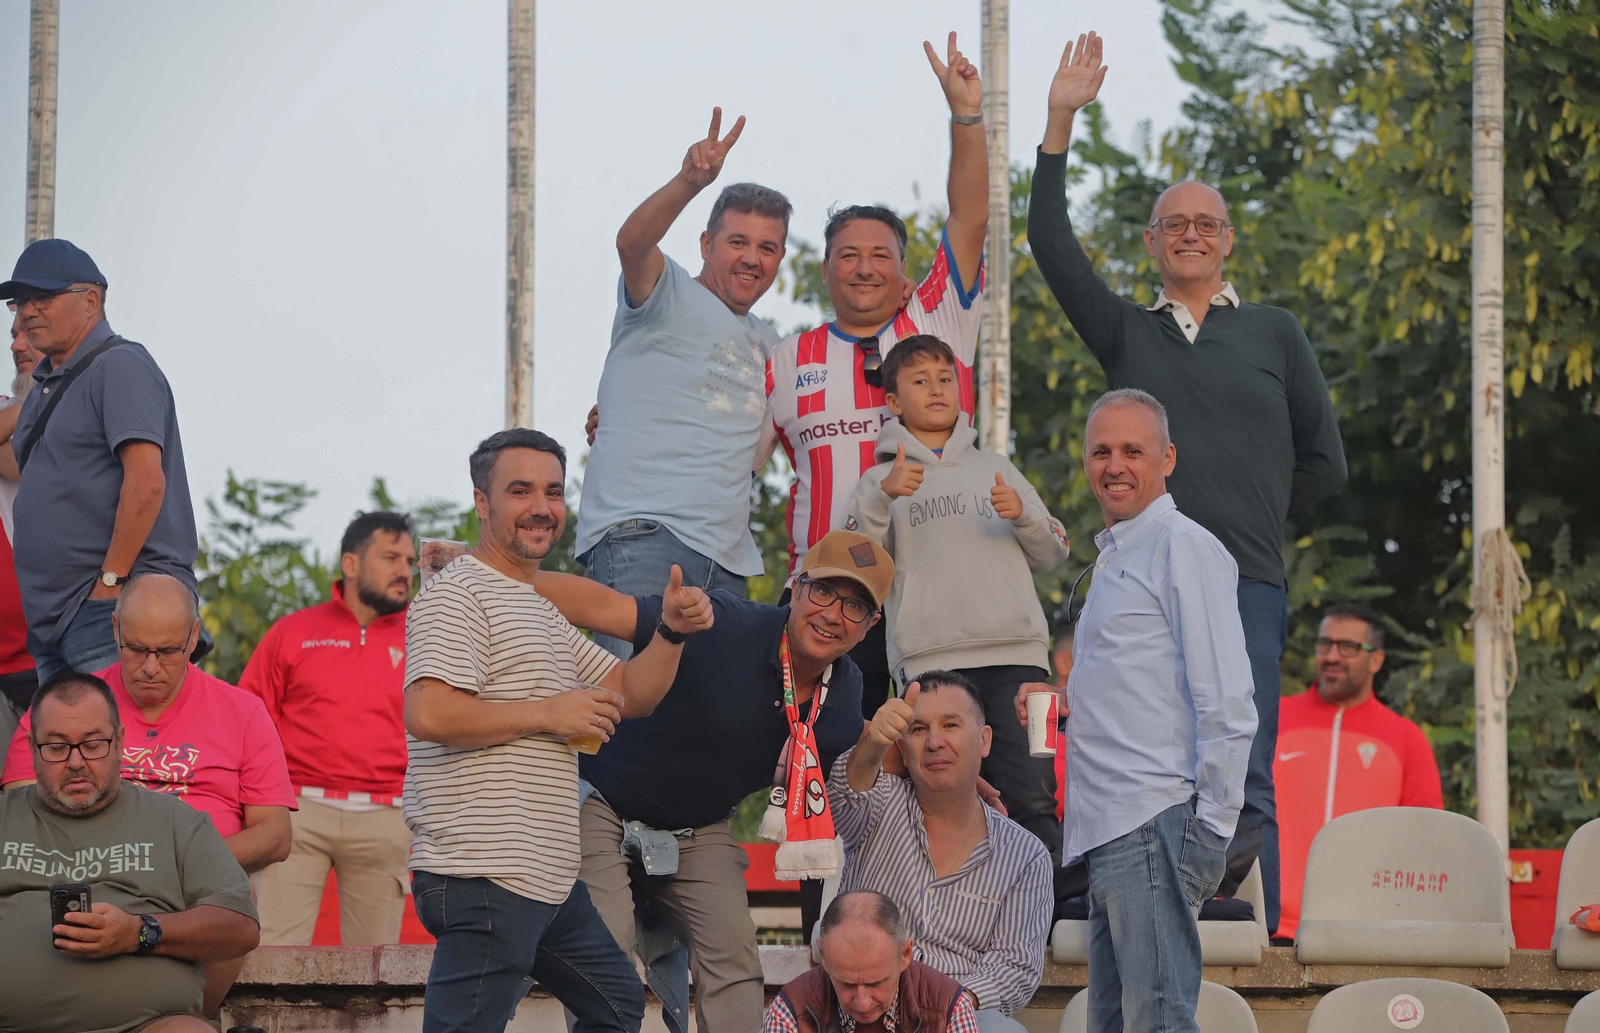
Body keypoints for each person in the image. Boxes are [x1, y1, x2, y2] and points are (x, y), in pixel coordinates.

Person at [1028, 32, 1347, 930]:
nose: (1192, 235)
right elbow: (1049, 242)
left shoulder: (1275, 332)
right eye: (1176, 223)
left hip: (1244, 575)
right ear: (1153, 241)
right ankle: (1151, 908)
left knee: (1242, 762)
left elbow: (1324, 462)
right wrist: (1061, 120)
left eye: (1207, 223)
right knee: (1138, 755)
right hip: (1139, 583)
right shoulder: (1129, 332)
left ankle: (1246, 929)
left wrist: (1244, 516)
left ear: (1228, 239)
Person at [402, 428, 713, 1033]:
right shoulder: (458, 594)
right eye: (520, 491)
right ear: (482, 503)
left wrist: (670, 632)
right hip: (485, 870)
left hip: (546, 880)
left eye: (552, 491)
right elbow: (430, 713)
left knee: (618, 1004)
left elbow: (630, 693)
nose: (541, 507)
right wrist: (550, 713)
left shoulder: (538, 608)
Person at [529, 528, 892, 1033]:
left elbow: (867, 756)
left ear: (871, 624)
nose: (833, 614)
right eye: (824, 591)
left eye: (855, 606)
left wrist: (964, 778)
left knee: (736, 955)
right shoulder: (728, 622)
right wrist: (495, 574)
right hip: (603, 800)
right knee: (603, 940)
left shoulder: (846, 688)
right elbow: (607, 608)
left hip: (697, 828)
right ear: (796, 586)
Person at [763, 32, 990, 717]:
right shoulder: (785, 358)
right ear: (825, 269)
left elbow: (971, 216)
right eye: (847, 255)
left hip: (936, 586)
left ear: (903, 269)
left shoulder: (935, 321)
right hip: (831, 596)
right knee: (832, 764)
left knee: (936, 750)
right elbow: (722, 454)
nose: (864, 267)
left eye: (880, 255)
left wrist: (967, 118)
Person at [1018, 389, 1257, 1033]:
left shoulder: (1184, 546)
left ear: (1168, 459)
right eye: (1101, 451)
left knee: (1155, 1023)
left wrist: (1210, 830)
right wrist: (1061, 702)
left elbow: (1229, 699)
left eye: (1132, 450)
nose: (1115, 465)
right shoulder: (1118, 555)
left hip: (1153, 818)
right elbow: (1141, 688)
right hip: (1109, 829)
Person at [0, 572, 294, 1014]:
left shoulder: (243, 711)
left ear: (194, 636)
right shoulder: (68, 708)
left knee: (234, 899)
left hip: (191, 887)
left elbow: (275, 835)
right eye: (136, 649)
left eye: (168, 651)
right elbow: (25, 818)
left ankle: (185, 1012)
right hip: (83, 874)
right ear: (114, 629)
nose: (150, 666)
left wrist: (174, 865)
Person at [845, 335, 1071, 873]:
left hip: (1026, 664)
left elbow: (1056, 550)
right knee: (944, 799)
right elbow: (855, 564)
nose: (936, 389)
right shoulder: (879, 480)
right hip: (930, 667)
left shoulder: (998, 466)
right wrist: (883, 499)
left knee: (1038, 789)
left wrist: (1024, 515)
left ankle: (1056, 916)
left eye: (945, 378)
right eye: (919, 381)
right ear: (894, 402)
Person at [576, 111, 791, 655]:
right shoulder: (666, 291)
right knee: (633, 721)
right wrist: (688, 182)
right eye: (737, 241)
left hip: (728, 564)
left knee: (706, 734)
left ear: (781, 259)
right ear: (704, 242)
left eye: (767, 248)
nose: (751, 258)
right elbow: (630, 243)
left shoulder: (774, 344)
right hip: (644, 539)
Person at [0, 671, 261, 1033]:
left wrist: (138, 932)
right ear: (31, 748)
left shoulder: (173, 821)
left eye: (92, 744)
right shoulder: (5, 818)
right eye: (57, 747)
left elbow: (241, 925)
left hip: (150, 1026)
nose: (76, 762)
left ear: (120, 740)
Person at [2, 238, 201, 685]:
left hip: (112, 608)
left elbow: (147, 484)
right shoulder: (44, 387)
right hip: (56, 623)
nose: (27, 312)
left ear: (91, 300)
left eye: (43, 297)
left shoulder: (119, 365)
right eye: (20, 302)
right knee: (78, 754)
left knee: (128, 752)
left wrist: (109, 585)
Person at [833, 671, 1053, 1031]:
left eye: (950, 725)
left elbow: (1015, 968)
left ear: (984, 741)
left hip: (958, 1013)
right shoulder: (878, 806)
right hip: (862, 1006)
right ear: (901, 749)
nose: (935, 742)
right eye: (918, 730)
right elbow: (846, 791)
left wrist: (942, 1005)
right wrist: (874, 742)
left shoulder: (1025, 855)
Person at [241, 510, 417, 946]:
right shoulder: (293, 631)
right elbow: (248, 721)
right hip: (297, 815)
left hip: (388, 816)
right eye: (391, 557)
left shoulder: (426, 635)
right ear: (350, 564)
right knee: (271, 956)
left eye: (410, 561)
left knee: (377, 975)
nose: (404, 571)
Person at [1274, 602, 1443, 942]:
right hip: (1273, 927)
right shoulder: (1273, 719)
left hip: (1367, 933)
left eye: (1348, 647)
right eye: (1325, 644)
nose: (1332, 656)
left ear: (1376, 660)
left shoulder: (1406, 738)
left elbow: (1426, 841)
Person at [763, 890, 980, 1033]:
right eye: (847, 984)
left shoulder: (949, 1008)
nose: (862, 1002)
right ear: (824, 958)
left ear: (905, 954)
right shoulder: (790, 1010)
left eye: (876, 983)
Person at [0, 308, 41, 747]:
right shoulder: (9, 411)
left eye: (28, 333)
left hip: (65, 645)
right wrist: (40, 398)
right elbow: (18, 465)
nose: (15, 346)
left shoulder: (96, 404)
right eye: (13, 334)